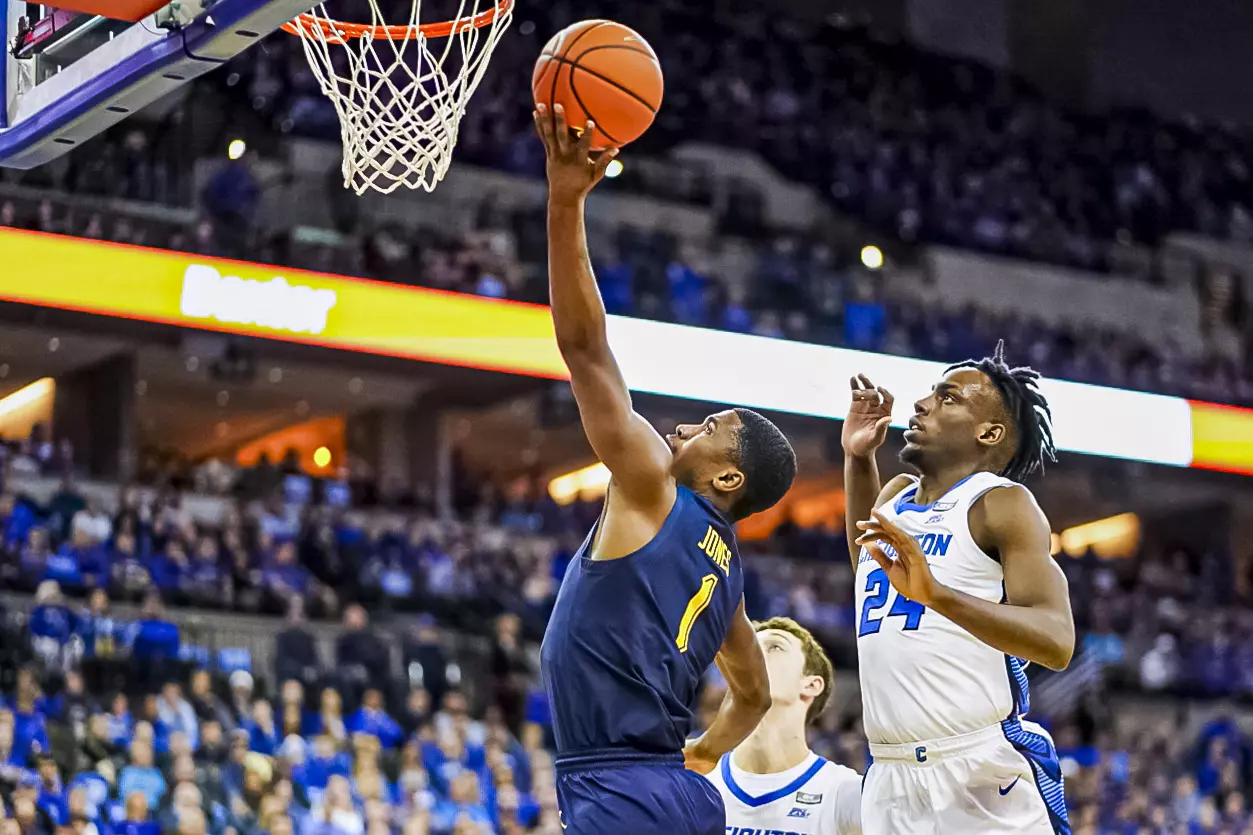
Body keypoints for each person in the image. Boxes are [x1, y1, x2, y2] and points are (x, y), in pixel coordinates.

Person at [532, 103, 795, 835]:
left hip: (617, 786)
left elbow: (585, 348)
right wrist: (703, 753)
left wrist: (563, 201)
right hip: (674, 793)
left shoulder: (652, 484)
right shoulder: (728, 578)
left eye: (709, 428)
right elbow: (752, 691)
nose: (684, 426)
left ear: (728, 479)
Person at [842, 343, 1075, 834]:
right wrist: (858, 460)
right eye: (930, 392)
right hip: (889, 772)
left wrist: (939, 596)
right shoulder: (894, 496)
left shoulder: (1002, 504)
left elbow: (1057, 641)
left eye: (948, 399)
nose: (923, 403)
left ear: (988, 432)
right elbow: (869, 572)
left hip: (979, 767)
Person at [703, 617, 861, 833]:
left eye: (775, 647)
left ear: (811, 685)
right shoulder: (695, 782)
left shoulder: (846, 793)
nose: (751, 655)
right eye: (749, 647)